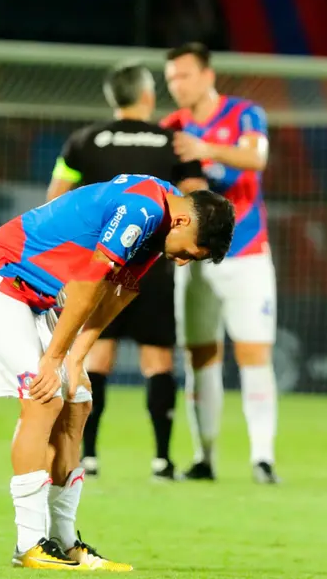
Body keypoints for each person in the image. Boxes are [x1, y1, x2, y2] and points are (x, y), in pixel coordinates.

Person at [0, 174, 233, 569]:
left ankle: (65, 542)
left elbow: (119, 290)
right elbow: (90, 279)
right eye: (189, 253)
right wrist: (54, 358)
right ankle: (29, 543)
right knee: (44, 395)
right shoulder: (144, 209)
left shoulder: (163, 217)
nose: (183, 260)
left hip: (33, 297)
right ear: (185, 223)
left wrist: (75, 358)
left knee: (78, 399)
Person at [46, 62, 207, 480]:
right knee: (157, 360)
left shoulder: (82, 141)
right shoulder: (174, 143)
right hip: (151, 265)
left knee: (96, 353)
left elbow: (55, 198)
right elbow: (196, 202)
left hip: (97, 265)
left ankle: (90, 455)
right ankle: (161, 460)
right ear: (148, 96)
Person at [161, 42, 279, 484]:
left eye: (185, 75)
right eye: (172, 77)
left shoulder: (245, 114)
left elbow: (256, 158)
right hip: (193, 260)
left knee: (253, 353)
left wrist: (204, 147)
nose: (177, 84)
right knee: (200, 355)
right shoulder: (169, 127)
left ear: (208, 76)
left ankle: (262, 458)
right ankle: (204, 457)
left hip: (247, 253)